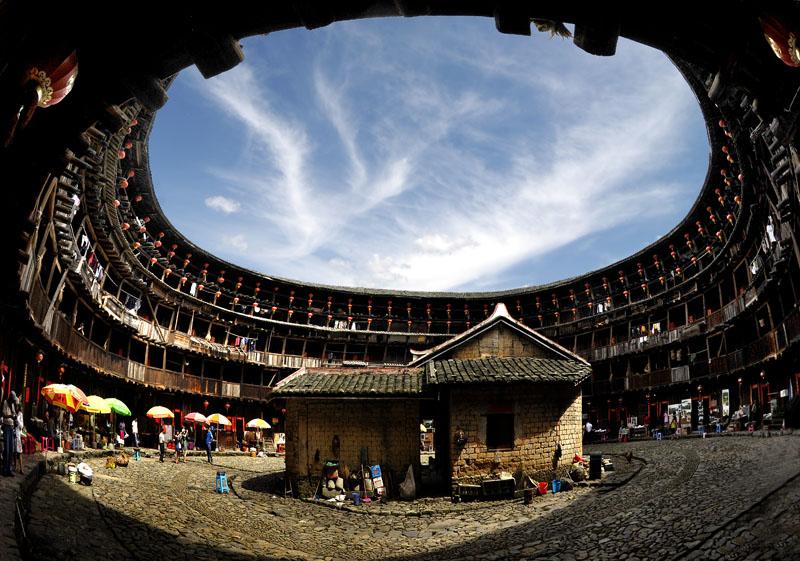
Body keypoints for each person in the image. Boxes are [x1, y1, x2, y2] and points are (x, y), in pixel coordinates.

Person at [1, 391, 18, 476]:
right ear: (10, 397)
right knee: (6, 449)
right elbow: (3, 415)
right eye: (12, 399)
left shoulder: (12, 404)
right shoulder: (5, 402)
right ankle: (5, 469)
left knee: (11, 449)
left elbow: (14, 413)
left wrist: (15, 418)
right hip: (7, 427)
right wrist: (10, 416)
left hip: (11, 427)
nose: (13, 401)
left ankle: (9, 469)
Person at [14, 397, 24, 474]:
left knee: (19, 452)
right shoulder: (13, 412)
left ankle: (21, 468)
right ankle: (15, 466)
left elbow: (22, 426)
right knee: (14, 452)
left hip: (18, 435)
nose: (16, 407)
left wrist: (17, 420)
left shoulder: (20, 414)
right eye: (16, 405)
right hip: (14, 434)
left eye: (17, 406)